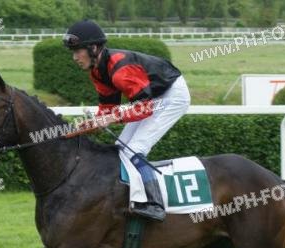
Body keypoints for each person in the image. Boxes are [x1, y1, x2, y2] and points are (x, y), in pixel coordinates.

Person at [63, 19, 191, 221]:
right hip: (152, 97)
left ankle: (155, 204)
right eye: (73, 52)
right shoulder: (97, 72)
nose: (74, 57)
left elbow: (143, 109)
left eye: (78, 51)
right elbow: (108, 110)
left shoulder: (120, 71)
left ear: (93, 48)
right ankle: (127, 197)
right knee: (121, 149)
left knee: (135, 150)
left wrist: (109, 118)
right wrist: (85, 127)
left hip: (171, 95)